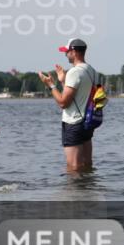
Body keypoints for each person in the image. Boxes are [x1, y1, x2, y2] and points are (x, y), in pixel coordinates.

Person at [38, 39, 98, 172]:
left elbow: (63, 102)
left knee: (73, 167)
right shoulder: (92, 71)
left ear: (74, 52)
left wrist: (51, 85)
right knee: (87, 165)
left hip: (74, 123)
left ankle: (73, 192)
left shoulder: (74, 72)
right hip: (88, 122)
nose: (65, 55)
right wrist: (63, 81)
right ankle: (89, 190)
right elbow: (79, 96)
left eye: (67, 52)